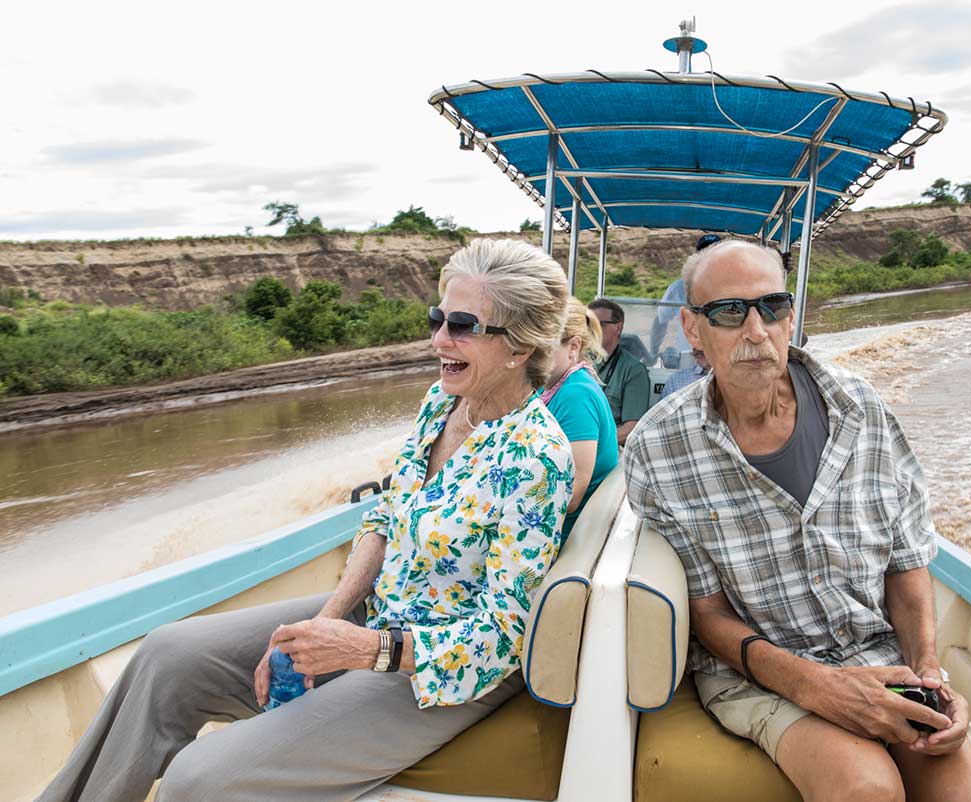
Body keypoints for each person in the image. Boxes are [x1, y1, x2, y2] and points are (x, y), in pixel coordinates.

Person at [37, 239, 575, 802]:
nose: (439, 338)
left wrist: (366, 649)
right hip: (379, 615)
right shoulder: (441, 405)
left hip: (442, 670)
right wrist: (324, 620)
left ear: (517, 348)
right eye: (438, 318)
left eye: (463, 325)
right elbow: (385, 520)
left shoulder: (535, 459)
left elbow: (505, 637)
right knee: (165, 656)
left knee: (201, 780)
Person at [623, 240, 971, 802]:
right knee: (866, 790)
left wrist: (929, 676)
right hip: (760, 671)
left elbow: (906, 562)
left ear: (791, 315)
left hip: (876, 652)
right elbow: (708, 615)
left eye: (771, 307)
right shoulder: (658, 449)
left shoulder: (862, 409)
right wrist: (820, 687)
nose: (756, 331)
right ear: (692, 329)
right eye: (729, 313)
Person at [542, 298, 619, 535]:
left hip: (560, 534)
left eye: (543, 347)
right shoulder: (550, 386)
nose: (527, 354)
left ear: (573, 347)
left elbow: (573, 493)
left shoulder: (576, 394)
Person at [588, 297, 650, 446]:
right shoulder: (573, 360)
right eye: (588, 323)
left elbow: (631, 428)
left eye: (599, 324)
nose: (591, 329)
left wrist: (591, 444)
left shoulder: (633, 370)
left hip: (604, 451)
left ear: (618, 328)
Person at [649, 233, 722, 358]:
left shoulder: (735, 287)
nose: (710, 257)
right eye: (705, 252)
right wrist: (653, 352)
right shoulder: (678, 289)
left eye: (715, 252)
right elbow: (661, 320)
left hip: (723, 357)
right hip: (689, 357)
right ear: (698, 257)